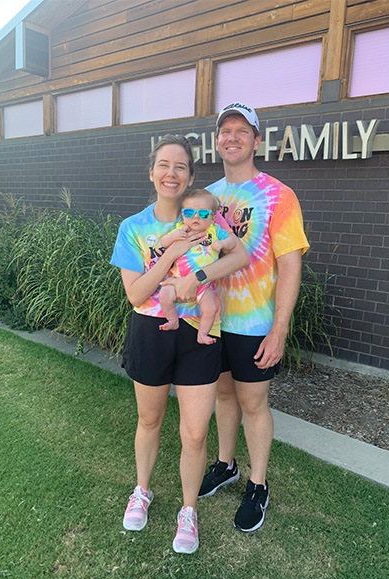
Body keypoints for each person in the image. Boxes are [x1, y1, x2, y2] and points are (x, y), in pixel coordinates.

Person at [110, 134, 249, 554]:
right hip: (151, 330)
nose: (172, 174)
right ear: (151, 173)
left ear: (190, 175)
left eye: (181, 167)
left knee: (194, 431)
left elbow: (238, 256)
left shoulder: (208, 218)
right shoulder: (134, 228)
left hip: (200, 334)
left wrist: (200, 277)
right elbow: (136, 296)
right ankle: (142, 490)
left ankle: (187, 511)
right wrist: (170, 258)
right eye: (164, 166)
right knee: (149, 421)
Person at [198, 102, 310, 532]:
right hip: (213, 322)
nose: (232, 136)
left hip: (255, 323)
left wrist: (279, 329)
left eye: (241, 130)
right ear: (217, 140)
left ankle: (258, 483)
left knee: (253, 403)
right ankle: (226, 464)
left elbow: (290, 266)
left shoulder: (278, 195)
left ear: (256, 140)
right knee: (223, 397)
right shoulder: (206, 198)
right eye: (225, 130)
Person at [159, 189, 236, 345]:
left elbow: (232, 242)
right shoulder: (181, 230)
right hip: (178, 279)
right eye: (189, 213)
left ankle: (202, 334)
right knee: (164, 295)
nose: (195, 217)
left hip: (203, 284)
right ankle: (173, 320)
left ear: (213, 218)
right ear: (183, 215)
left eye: (203, 215)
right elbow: (163, 242)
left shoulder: (215, 231)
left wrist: (222, 244)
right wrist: (173, 237)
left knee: (211, 308)